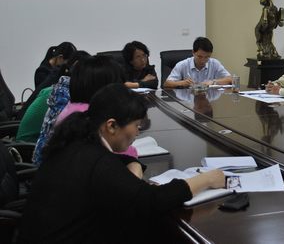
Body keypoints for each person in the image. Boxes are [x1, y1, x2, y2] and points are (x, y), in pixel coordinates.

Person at [18, 84, 225, 244]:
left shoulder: (76, 141)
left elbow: (116, 167)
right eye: (136, 125)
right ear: (111, 126)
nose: (137, 132)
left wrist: (134, 164)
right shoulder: (98, 162)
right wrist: (206, 179)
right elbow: (153, 201)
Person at [163, 37, 232, 88]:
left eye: (207, 57)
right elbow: (167, 84)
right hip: (189, 100)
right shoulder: (182, 65)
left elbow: (230, 79)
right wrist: (181, 83)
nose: (203, 60)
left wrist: (213, 82)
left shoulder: (214, 63)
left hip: (208, 99)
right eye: (200, 56)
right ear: (193, 52)